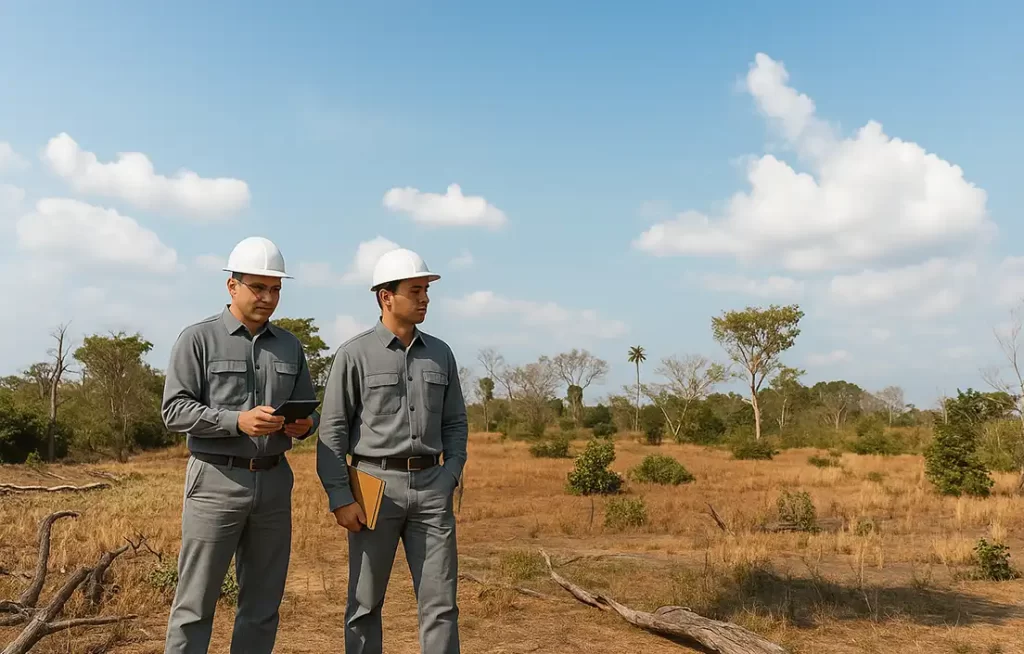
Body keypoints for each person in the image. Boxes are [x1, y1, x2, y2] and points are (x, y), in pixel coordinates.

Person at [161, 236, 320, 654]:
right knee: (195, 604)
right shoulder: (198, 339)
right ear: (232, 287)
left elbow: (310, 413)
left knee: (263, 605)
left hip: (273, 485)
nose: (269, 297)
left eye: (276, 289)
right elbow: (174, 411)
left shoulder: (290, 346)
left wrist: (304, 426)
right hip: (215, 481)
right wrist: (237, 421)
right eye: (258, 287)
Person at [316, 247, 468, 654]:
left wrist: (450, 474)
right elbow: (331, 430)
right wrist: (340, 497)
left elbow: (455, 423)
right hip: (372, 488)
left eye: (426, 291)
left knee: (441, 605)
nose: (425, 299)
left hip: (432, 488)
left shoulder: (441, 353)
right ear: (386, 296)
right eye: (415, 290)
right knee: (364, 604)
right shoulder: (354, 354)